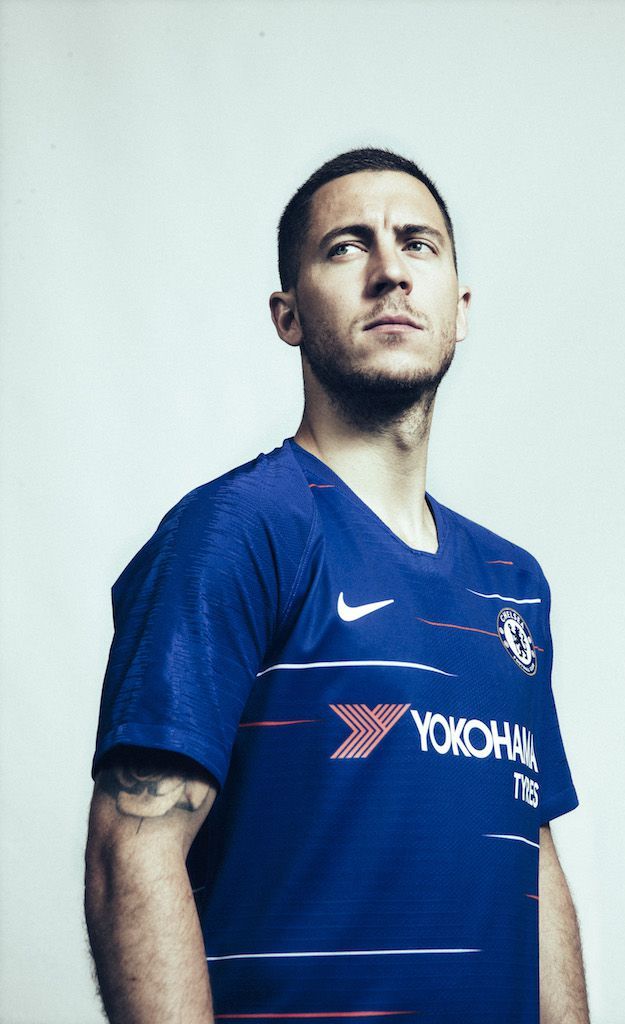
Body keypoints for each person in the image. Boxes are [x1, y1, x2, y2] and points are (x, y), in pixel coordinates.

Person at [85, 148, 590, 1023]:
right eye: (347, 246)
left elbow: (530, 854)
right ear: (288, 315)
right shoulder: (238, 532)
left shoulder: (512, 581)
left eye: (418, 244)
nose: (390, 271)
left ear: (459, 310)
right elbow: (132, 846)